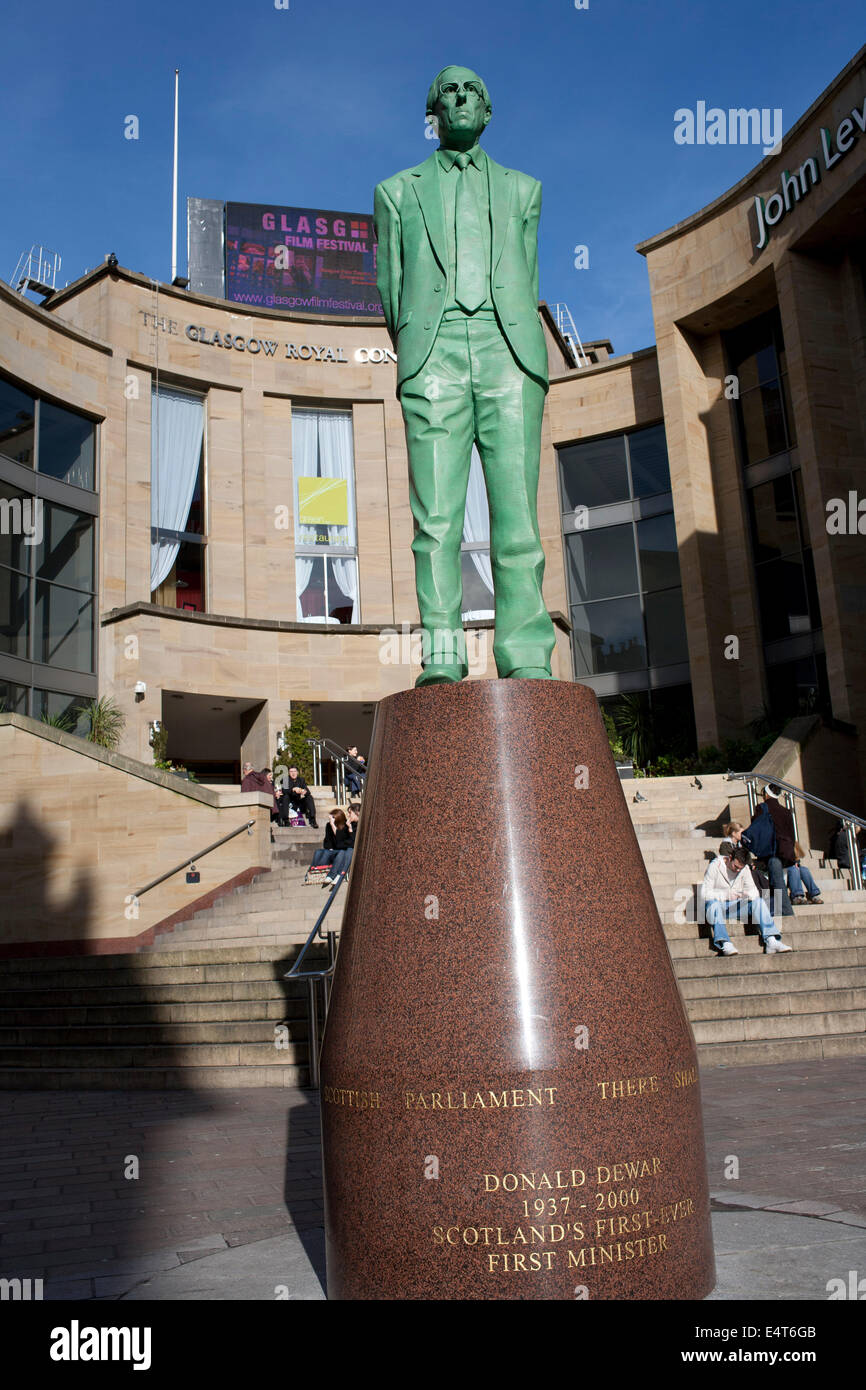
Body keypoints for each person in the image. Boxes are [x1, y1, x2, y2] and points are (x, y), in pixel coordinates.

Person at [374, 66, 556, 683]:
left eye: (472, 90)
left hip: (509, 351)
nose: (459, 99)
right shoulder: (397, 192)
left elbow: (526, 276)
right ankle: (443, 655)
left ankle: (528, 653)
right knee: (436, 521)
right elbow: (391, 291)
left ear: (488, 109)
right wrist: (421, 346)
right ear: (433, 111)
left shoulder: (524, 190)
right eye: (447, 91)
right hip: (434, 354)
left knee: (518, 517)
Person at [701, 844, 792, 957]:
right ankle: (725, 943)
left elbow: (754, 892)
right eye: (736, 866)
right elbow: (704, 894)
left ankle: (771, 940)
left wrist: (745, 895)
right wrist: (727, 895)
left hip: (737, 906)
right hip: (719, 906)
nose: (738, 870)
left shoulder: (744, 869)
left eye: (740, 868)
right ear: (730, 858)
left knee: (758, 902)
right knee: (712, 905)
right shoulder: (715, 866)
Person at [741, 785, 794, 918]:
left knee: (776, 882)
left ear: (766, 794)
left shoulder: (762, 808)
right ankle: (773, 910)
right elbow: (791, 835)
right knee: (773, 880)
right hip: (784, 853)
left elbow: (755, 828)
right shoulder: (786, 812)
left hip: (769, 853)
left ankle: (787, 912)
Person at [310, 808, 355, 886]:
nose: (330, 820)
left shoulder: (345, 826)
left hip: (342, 850)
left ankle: (329, 875)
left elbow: (340, 840)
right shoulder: (328, 826)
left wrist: (333, 825)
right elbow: (327, 840)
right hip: (333, 850)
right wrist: (329, 848)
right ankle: (315, 872)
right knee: (318, 852)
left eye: (332, 818)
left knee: (336, 852)